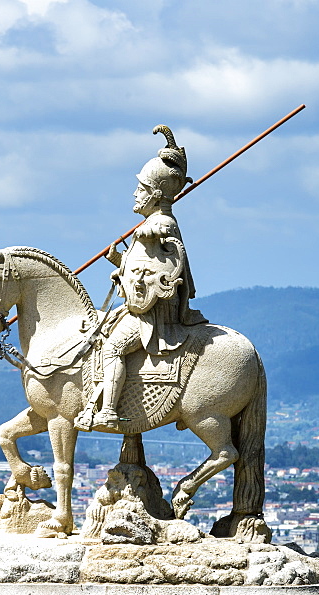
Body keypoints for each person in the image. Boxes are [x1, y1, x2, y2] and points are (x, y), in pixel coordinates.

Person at [77, 126, 207, 431]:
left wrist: (154, 231)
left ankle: (108, 411)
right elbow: (149, 268)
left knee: (113, 348)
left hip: (152, 316)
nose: (136, 194)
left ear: (157, 194)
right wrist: (121, 262)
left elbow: (170, 265)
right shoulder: (151, 223)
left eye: (142, 189)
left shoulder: (162, 223)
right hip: (139, 308)